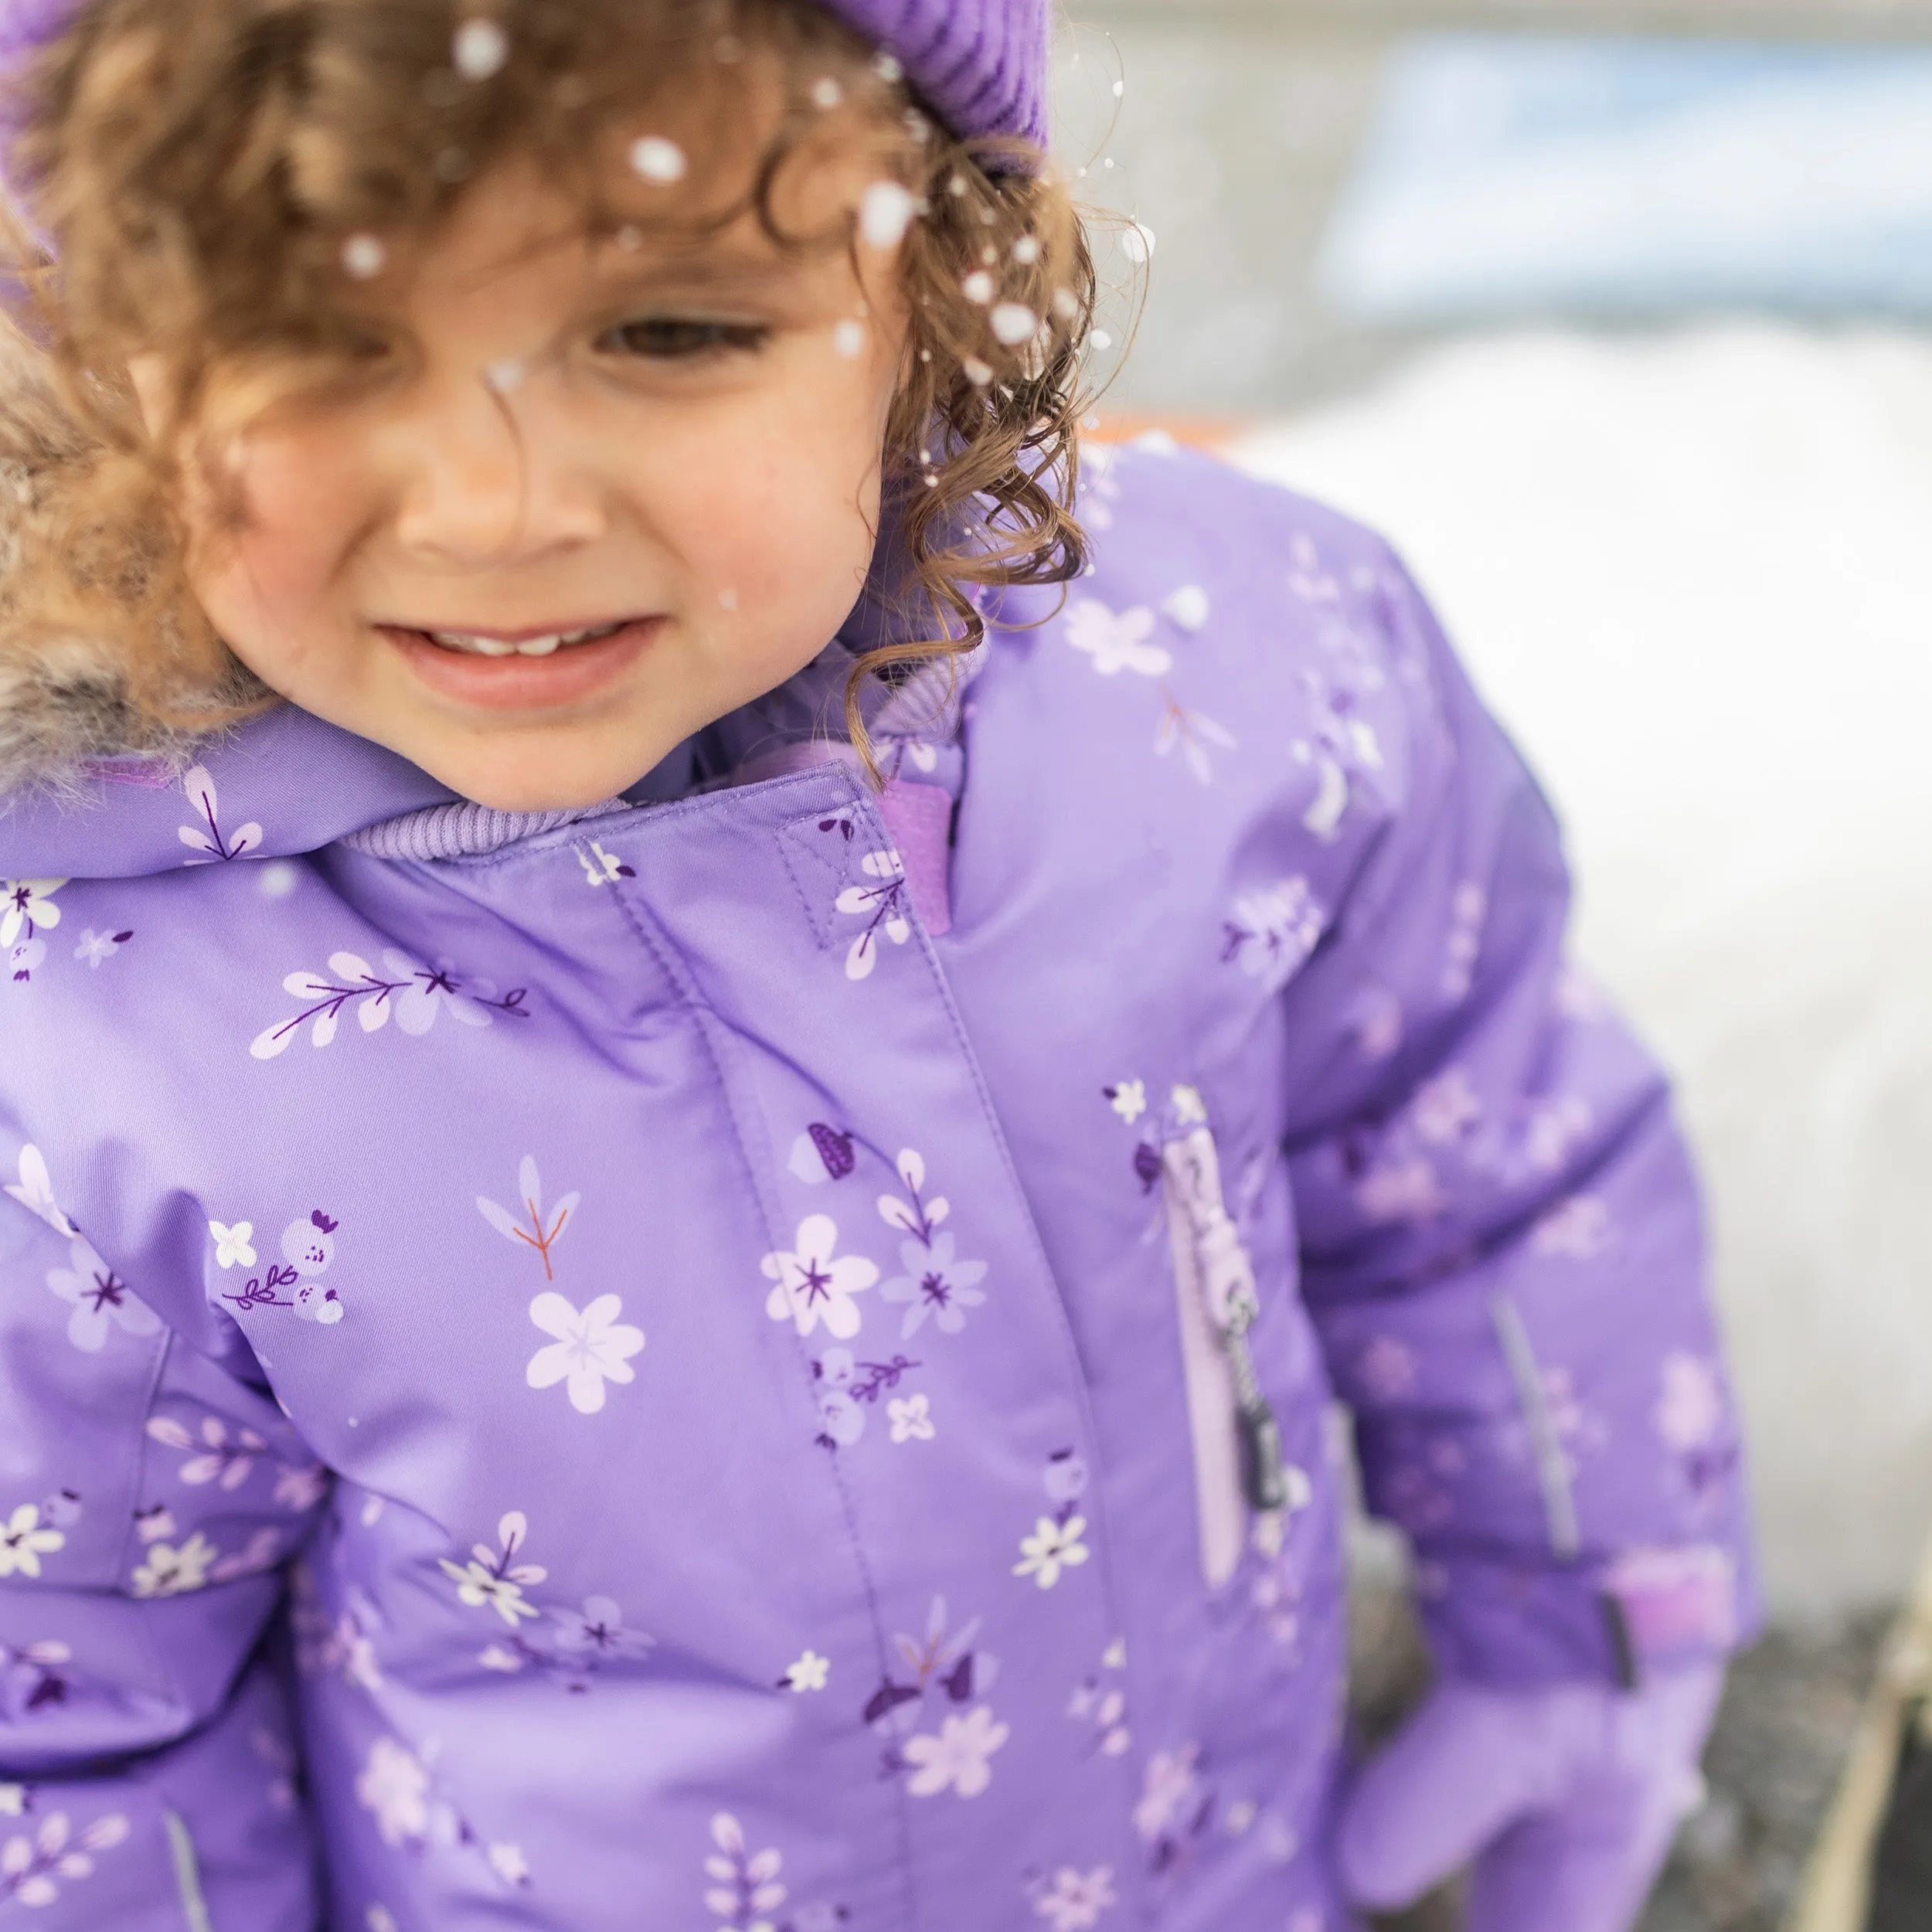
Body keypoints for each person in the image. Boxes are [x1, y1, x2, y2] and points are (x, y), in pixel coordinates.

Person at [0, 2, 1754, 1927]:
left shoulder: (1235, 684)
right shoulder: (100, 1070)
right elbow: (65, 1721)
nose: (498, 504)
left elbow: (1485, 1153)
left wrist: (1585, 1592)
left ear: (937, 269)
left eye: (668, 329)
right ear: (114, 359)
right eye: (321, 344)